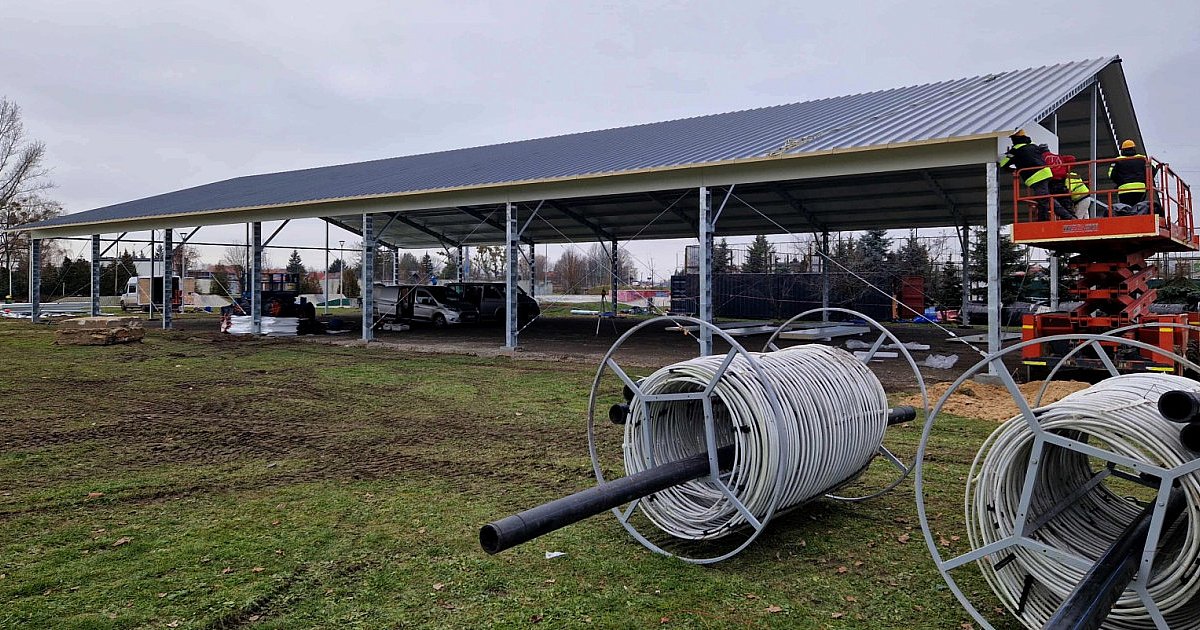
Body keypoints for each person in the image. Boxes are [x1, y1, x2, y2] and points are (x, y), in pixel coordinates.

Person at [999, 130, 1072, 221]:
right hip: (1046, 172)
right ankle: (1068, 217)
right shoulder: (1033, 145)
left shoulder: (1016, 150)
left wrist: (1012, 166)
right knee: (1047, 198)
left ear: (1015, 138)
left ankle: (1043, 221)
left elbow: (1003, 163)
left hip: (1036, 177)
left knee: (1042, 200)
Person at [1108, 139, 1149, 206]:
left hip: (1124, 190)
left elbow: (1111, 175)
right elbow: (1150, 172)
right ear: (1134, 148)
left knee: (1127, 209)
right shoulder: (1142, 159)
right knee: (1139, 208)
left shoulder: (1118, 160)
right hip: (1140, 189)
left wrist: (1119, 182)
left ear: (1123, 150)